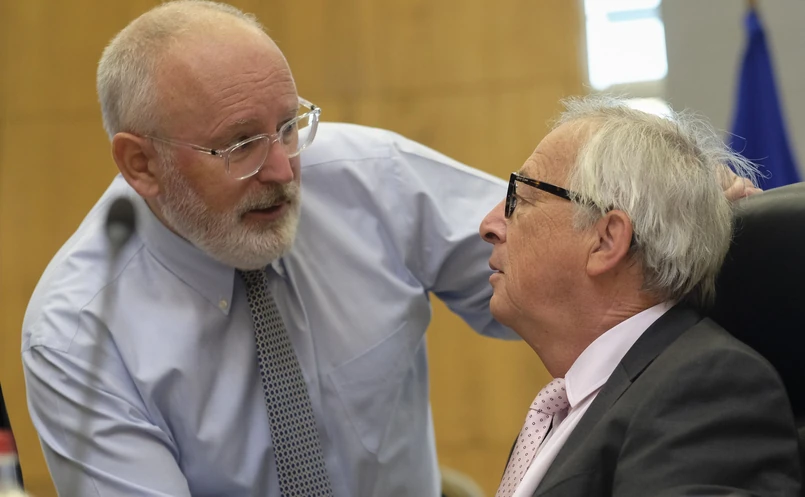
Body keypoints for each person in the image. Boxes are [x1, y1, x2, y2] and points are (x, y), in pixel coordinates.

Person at [20, 2, 760, 496]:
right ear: (140, 163)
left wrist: (678, 216)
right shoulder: (77, 330)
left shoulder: (369, 179)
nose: (284, 169)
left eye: (289, 124)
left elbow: (573, 272)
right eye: (240, 144)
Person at [479, 95, 801, 497]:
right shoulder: (560, 411)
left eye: (522, 198)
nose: (489, 225)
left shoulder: (703, 390)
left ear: (606, 240)